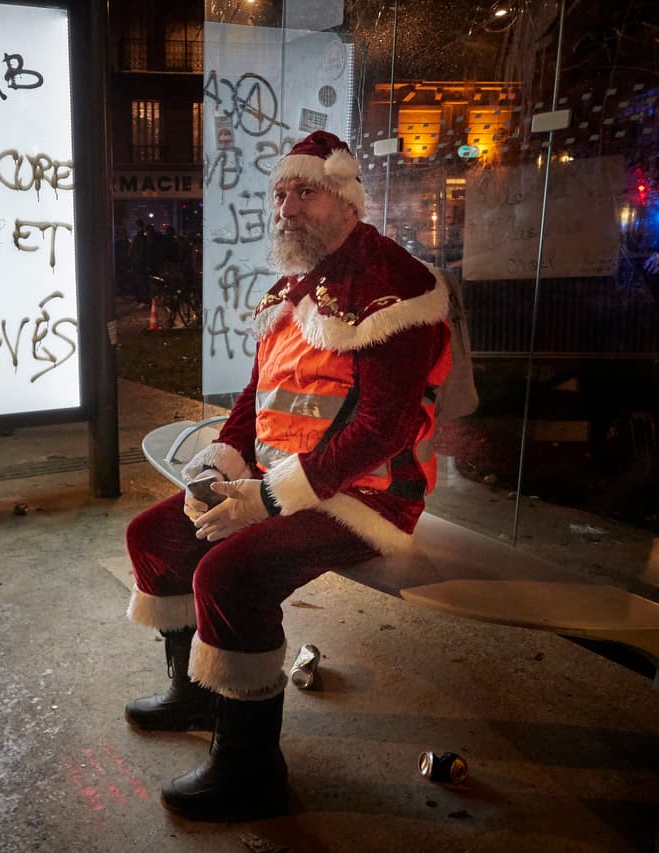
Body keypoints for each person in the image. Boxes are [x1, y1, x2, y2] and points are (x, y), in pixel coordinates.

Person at [122, 130, 453, 822]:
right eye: (280, 192)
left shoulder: (397, 285)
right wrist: (221, 466)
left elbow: (383, 431)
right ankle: (196, 693)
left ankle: (251, 770)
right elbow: (257, 396)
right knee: (155, 533)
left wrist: (267, 497)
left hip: (370, 496)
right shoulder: (294, 283)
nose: (286, 206)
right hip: (281, 479)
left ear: (347, 198)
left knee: (231, 575)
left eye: (304, 191)